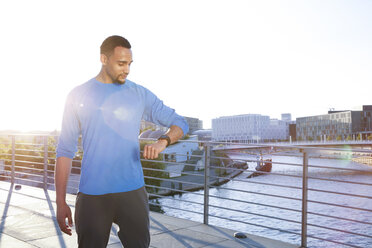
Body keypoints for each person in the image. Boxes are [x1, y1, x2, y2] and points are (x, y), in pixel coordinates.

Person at [55, 35, 189, 248]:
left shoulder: (139, 94)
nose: (126, 69)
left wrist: (163, 141)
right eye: (121, 63)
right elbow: (64, 150)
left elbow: (180, 123)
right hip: (92, 195)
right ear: (103, 59)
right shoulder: (78, 96)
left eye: (129, 64)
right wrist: (60, 201)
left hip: (132, 193)